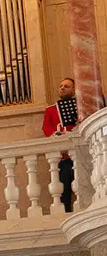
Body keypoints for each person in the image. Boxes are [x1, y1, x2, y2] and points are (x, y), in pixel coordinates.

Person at [42, 76, 78, 208]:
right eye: (61, 86)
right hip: (63, 157)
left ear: (74, 90)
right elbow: (46, 128)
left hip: (79, 154)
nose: (62, 88)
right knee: (64, 190)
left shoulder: (81, 107)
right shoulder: (50, 110)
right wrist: (56, 134)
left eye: (66, 86)